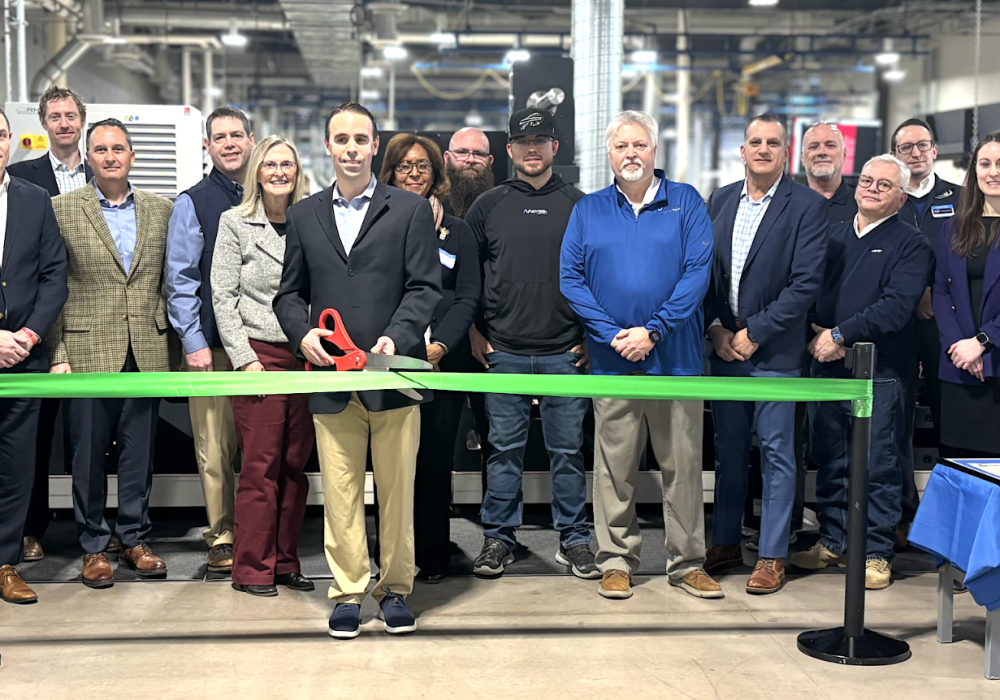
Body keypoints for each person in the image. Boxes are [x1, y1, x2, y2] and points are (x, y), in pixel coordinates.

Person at [273, 103, 440, 639]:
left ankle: (395, 590)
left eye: (360, 139)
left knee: (397, 491)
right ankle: (347, 591)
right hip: (330, 379)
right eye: (340, 139)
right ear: (327, 146)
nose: (350, 148)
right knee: (340, 491)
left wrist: (398, 336)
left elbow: (424, 288)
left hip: (390, 376)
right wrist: (302, 334)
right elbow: (289, 294)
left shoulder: (410, 211)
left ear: (374, 147)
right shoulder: (304, 215)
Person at [560, 110, 721, 600]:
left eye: (639, 145)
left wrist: (653, 331)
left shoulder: (687, 203)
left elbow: (697, 274)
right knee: (613, 469)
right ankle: (615, 561)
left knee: (684, 468)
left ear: (655, 151)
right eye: (621, 147)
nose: (630, 154)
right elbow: (571, 278)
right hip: (612, 363)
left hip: (676, 361)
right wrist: (613, 336)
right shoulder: (588, 210)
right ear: (609, 155)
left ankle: (688, 562)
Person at [792, 154, 932, 590]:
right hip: (827, 366)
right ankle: (833, 542)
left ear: (901, 196)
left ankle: (876, 553)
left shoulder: (912, 244)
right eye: (866, 180)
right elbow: (808, 289)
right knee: (831, 458)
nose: (871, 188)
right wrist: (818, 332)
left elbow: (894, 307)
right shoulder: (833, 237)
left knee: (878, 465)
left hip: (881, 372)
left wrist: (839, 334)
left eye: (883, 185)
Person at [465, 108, 594, 580]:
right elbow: (470, 279)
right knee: (504, 450)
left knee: (567, 450)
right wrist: (476, 332)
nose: (533, 148)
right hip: (504, 349)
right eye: (524, 141)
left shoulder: (582, 206)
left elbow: (593, 277)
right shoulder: (488, 207)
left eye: (542, 140)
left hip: (565, 350)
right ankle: (499, 537)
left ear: (555, 149)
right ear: (510, 150)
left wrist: (589, 336)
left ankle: (575, 537)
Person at [704, 113, 828, 594]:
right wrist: (716, 329)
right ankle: (726, 542)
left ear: (785, 153)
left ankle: (772, 554)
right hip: (725, 351)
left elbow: (805, 284)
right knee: (728, 451)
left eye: (772, 142)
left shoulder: (806, 207)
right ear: (742, 151)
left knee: (777, 453)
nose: (762, 149)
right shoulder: (721, 200)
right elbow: (707, 274)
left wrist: (755, 332)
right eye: (754, 141)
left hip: (774, 351)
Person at [49, 118, 174, 588]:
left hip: (146, 347)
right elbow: (53, 286)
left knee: (139, 455)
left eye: (118, 148)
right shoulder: (61, 209)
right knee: (86, 455)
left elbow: (169, 281)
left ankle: (135, 539)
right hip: (84, 351)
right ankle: (93, 546)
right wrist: (58, 350)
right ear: (89, 157)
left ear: (132, 156)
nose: (110, 156)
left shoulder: (162, 209)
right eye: (100, 149)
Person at [212, 136, 313, 597]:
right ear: (256, 171)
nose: (278, 172)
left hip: (308, 358)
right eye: (270, 164)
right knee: (260, 466)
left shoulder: (313, 221)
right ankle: (252, 568)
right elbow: (222, 298)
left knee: (295, 466)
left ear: (297, 171)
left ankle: (286, 561)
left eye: (286, 164)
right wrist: (244, 359)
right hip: (259, 356)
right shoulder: (234, 222)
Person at [378, 133, 480, 582]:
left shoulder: (457, 232)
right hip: (389, 358)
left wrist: (440, 346)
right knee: (390, 461)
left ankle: (433, 552)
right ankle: (390, 551)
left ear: (436, 174)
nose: (414, 174)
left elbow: (467, 296)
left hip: (443, 361)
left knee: (436, 460)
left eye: (422, 166)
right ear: (391, 172)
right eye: (405, 166)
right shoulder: (375, 224)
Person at [166, 107, 255, 575]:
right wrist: (194, 341)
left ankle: (259, 530)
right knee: (215, 448)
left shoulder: (277, 196)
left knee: (260, 446)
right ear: (207, 146)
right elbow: (180, 280)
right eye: (219, 137)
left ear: (251, 139)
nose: (229, 143)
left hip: (264, 348)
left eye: (236, 135)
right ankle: (222, 535)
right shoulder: (192, 202)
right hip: (214, 349)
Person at [7, 85, 92, 564]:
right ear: (42, 123)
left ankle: (93, 534)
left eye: (70, 115)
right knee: (33, 437)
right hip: (34, 322)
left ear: (82, 120)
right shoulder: (21, 178)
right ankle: (28, 529)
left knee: (87, 435)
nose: (63, 123)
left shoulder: (97, 172)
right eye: (54, 116)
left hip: (85, 318)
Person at [0, 106, 68, 604]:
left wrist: (27, 334)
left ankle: (6, 564)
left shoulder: (34, 199)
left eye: (1, 135)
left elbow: (53, 275)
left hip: (24, 359)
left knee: (16, 469)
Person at [891, 118, 962, 537]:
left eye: (923, 145)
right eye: (906, 147)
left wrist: (936, 297)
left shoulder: (963, 199)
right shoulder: (885, 197)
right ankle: (904, 517)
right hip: (896, 327)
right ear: (895, 154)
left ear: (935, 150)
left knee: (949, 422)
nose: (915, 153)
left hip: (945, 329)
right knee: (894, 425)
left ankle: (950, 524)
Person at [933, 132, 1000, 458]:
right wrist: (960, 346)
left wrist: (984, 342)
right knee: (961, 463)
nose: (993, 172)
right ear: (974, 172)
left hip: (996, 359)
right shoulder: (954, 227)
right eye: (985, 164)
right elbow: (942, 292)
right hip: (960, 365)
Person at [802, 122, 857, 227]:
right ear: (802, 158)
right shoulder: (787, 206)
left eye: (830, 146)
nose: (822, 152)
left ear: (844, 155)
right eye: (813, 147)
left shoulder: (862, 207)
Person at [444, 127, 495, 218]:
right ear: (447, 158)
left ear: (490, 161)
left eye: (479, 154)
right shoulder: (431, 206)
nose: (471, 160)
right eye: (462, 152)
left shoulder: (500, 206)